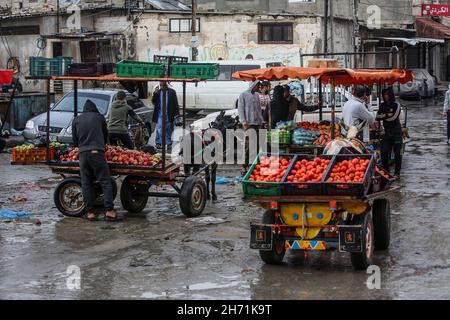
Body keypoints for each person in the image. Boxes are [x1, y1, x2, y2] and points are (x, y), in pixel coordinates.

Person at [72, 100, 117, 221]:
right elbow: (105, 134)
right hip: (97, 152)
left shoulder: (76, 119)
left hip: (82, 154)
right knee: (105, 181)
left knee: (86, 183)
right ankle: (109, 210)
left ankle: (90, 212)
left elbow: (74, 140)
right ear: (94, 108)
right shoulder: (99, 117)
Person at [238, 81, 264, 175]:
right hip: (249, 124)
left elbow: (258, 109)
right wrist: (244, 122)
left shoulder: (257, 95)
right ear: (254, 86)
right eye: (258, 86)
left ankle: (252, 165)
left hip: (257, 123)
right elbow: (240, 109)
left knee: (256, 146)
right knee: (248, 146)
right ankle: (244, 166)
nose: (259, 87)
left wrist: (261, 121)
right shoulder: (243, 95)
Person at [377, 87, 403, 179]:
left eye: (387, 94)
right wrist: (386, 115)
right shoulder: (382, 105)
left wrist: (383, 116)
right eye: (384, 94)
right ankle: (386, 171)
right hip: (386, 132)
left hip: (396, 132)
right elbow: (377, 116)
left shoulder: (397, 104)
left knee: (397, 153)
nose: (385, 96)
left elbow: (393, 117)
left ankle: (397, 173)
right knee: (383, 152)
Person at [151, 81, 179, 149]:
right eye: (160, 83)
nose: (161, 84)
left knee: (169, 128)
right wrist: (155, 93)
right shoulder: (158, 92)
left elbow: (175, 103)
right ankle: (159, 142)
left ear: (166, 83)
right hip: (160, 113)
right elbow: (153, 101)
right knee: (159, 128)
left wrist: (177, 114)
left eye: (162, 83)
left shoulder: (172, 92)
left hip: (169, 113)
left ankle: (169, 143)